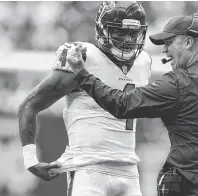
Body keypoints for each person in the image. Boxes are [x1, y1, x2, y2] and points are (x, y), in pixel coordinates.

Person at [65, 13, 198, 196]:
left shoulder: (178, 83)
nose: (165, 51)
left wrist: (82, 74)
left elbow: (121, 104)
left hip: (193, 188)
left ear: (188, 42)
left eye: (168, 43)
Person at [18, 1, 151, 196]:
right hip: (88, 169)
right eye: (119, 32)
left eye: (133, 33)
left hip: (130, 171)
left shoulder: (144, 62)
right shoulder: (84, 57)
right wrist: (30, 160)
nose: (128, 40)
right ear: (102, 30)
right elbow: (29, 105)